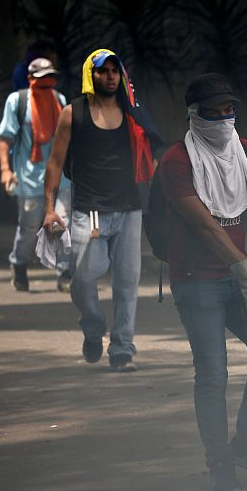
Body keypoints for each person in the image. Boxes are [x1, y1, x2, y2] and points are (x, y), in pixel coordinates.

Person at [159, 73, 247, 491]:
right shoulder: (176, 162)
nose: (223, 119)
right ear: (194, 116)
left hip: (238, 276)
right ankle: (220, 464)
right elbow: (206, 228)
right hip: (195, 280)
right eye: (213, 113)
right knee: (213, 375)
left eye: (229, 110)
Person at [43, 49, 156, 372]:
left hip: (129, 209)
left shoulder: (131, 111)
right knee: (81, 280)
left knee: (126, 284)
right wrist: (50, 209)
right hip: (88, 211)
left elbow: (151, 153)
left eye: (114, 71)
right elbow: (54, 163)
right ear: (89, 76)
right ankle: (93, 327)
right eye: (102, 71)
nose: (109, 77)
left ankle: (122, 349)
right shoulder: (73, 113)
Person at [0, 58, 71, 292]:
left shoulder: (59, 100)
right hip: (30, 178)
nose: (46, 83)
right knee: (28, 228)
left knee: (62, 223)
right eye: (41, 79)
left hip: (60, 177)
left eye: (50, 78)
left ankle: (65, 273)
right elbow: (5, 139)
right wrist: (6, 170)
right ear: (30, 79)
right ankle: (18, 263)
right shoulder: (17, 102)